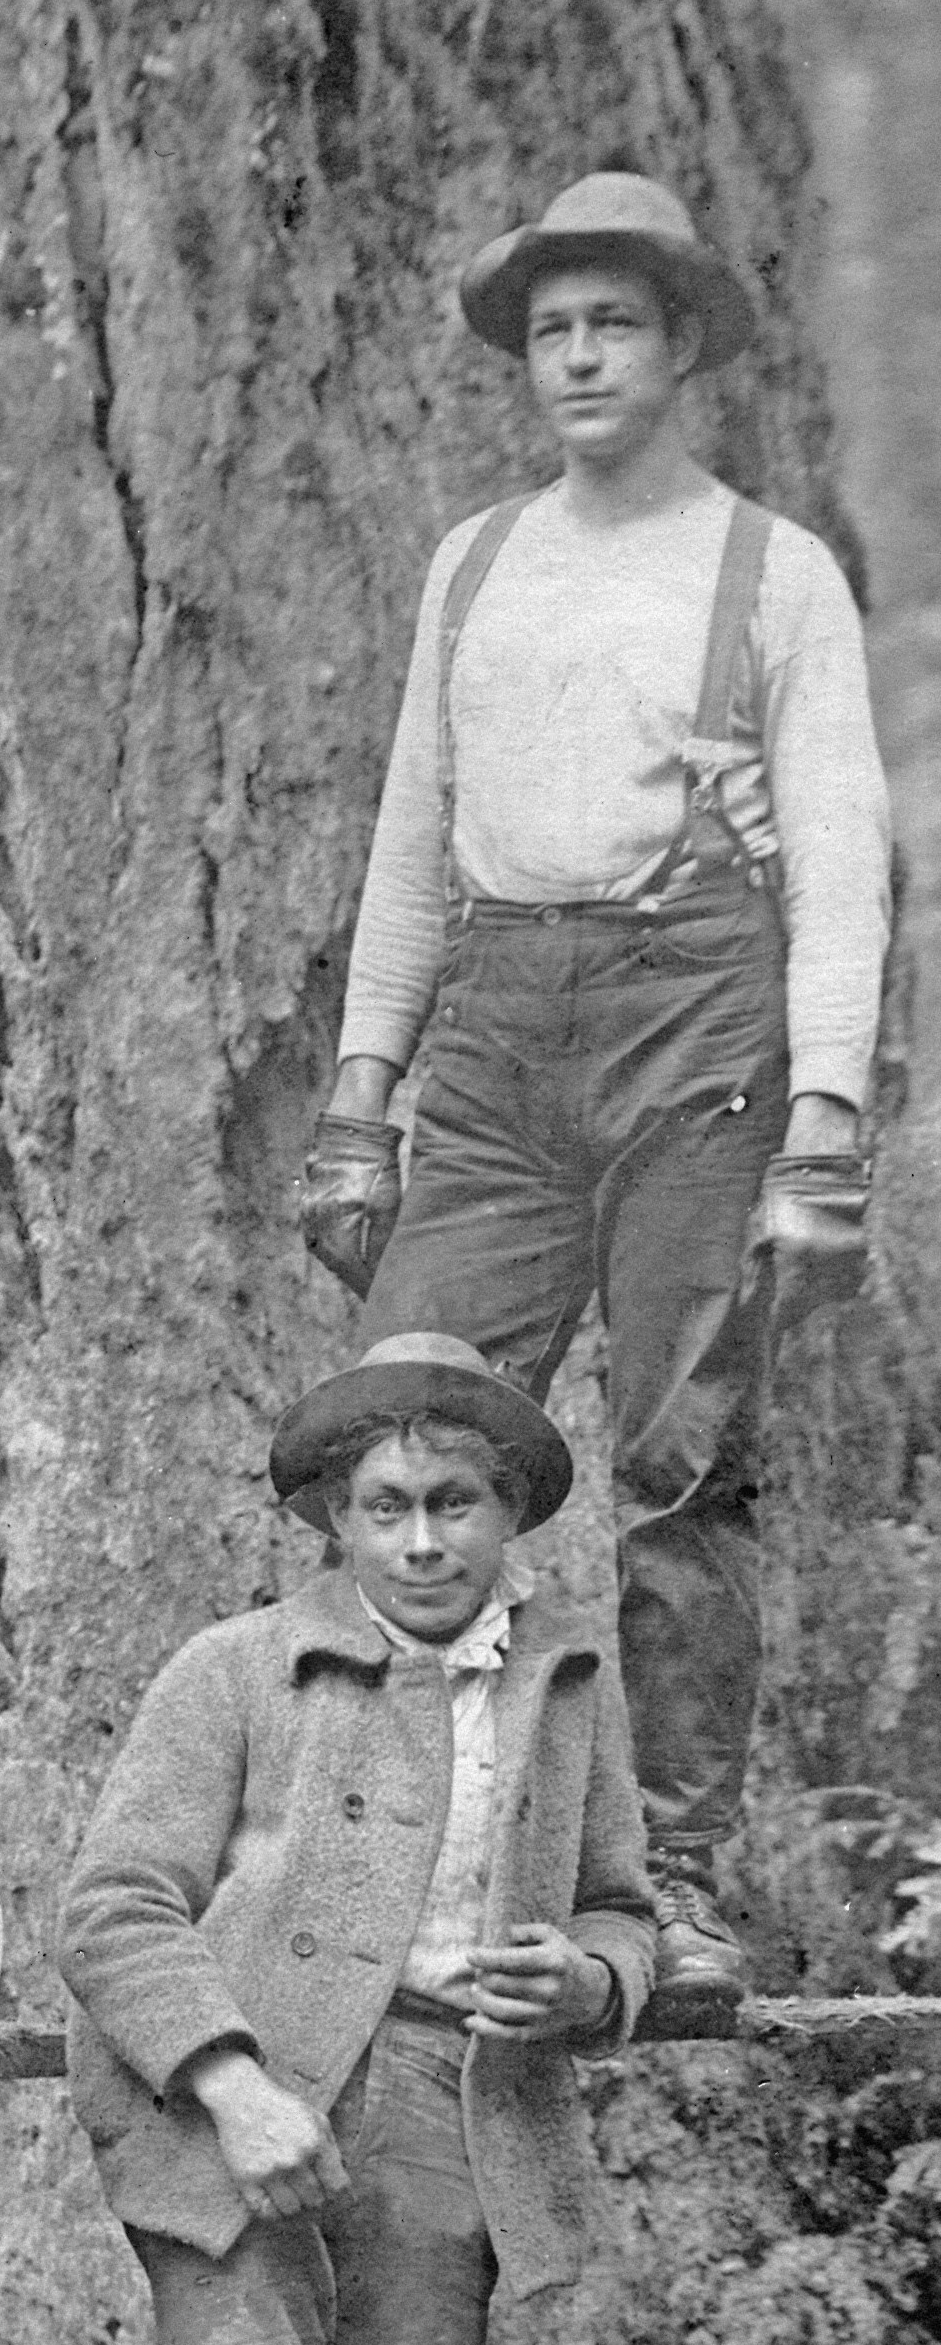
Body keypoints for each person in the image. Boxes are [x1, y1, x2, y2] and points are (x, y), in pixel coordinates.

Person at [299, 169, 891, 2010]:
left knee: (680, 1469)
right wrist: (361, 1099)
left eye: (614, 324)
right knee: (409, 1421)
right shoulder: (476, 563)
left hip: (696, 1041)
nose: (579, 359)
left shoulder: (769, 569)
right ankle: (375, 1863)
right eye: (552, 330)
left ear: (682, 344)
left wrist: (826, 1120)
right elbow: (412, 840)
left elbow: (843, 854)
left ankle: (675, 1890)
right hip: (492, 1042)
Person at [55, 1335, 655, 2345]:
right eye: (383, 1506)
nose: (420, 1539)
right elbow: (112, 1904)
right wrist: (231, 2082)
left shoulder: (565, 1684)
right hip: (235, 2114)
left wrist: (589, 1979)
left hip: (449, 2116)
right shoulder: (241, 1671)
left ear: (511, 1512)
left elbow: (624, 1905)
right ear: (333, 1517)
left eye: (453, 1503)